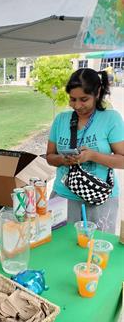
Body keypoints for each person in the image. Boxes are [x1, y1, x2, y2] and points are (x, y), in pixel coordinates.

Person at [46, 68, 124, 233]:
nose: (77, 105)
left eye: (84, 99)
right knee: (58, 249)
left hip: (99, 199)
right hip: (63, 196)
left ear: (97, 93)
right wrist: (63, 159)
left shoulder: (111, 119)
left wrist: (92, 156)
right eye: (73, 99)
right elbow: (50, 156)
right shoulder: (61, 120)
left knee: (95, 250)